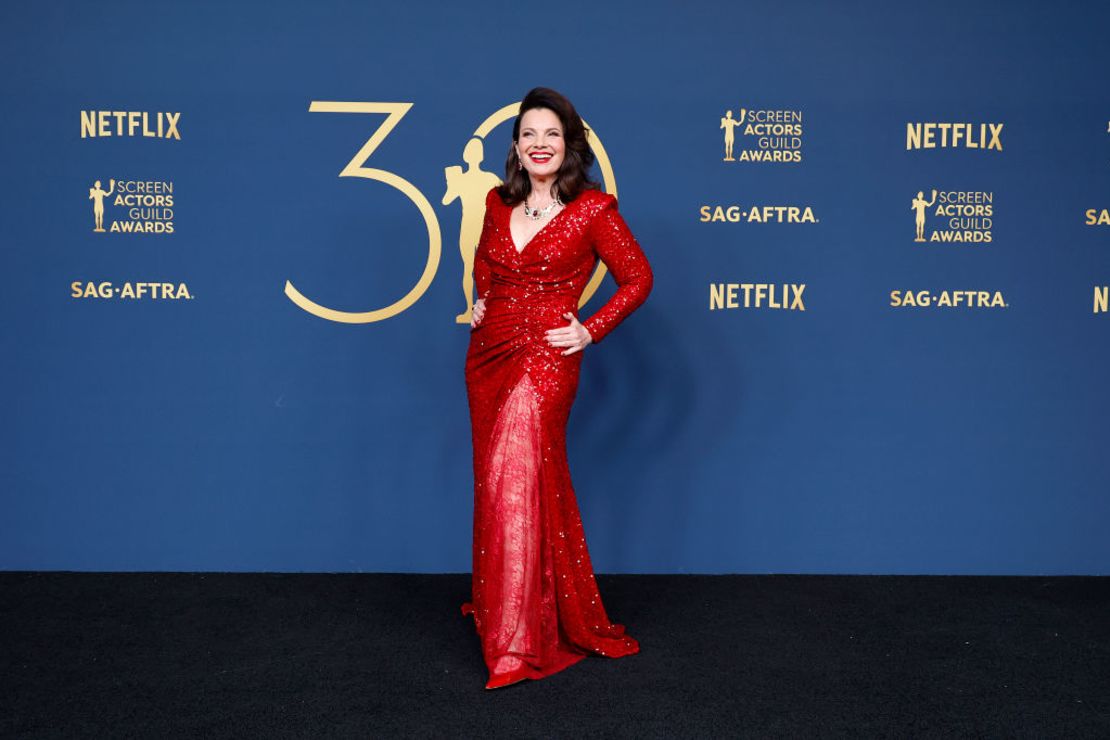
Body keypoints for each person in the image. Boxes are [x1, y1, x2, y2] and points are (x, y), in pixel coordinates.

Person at [460, 87, 654, 690]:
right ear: (515, 148)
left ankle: (516, 644)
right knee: (499, 483)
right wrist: (480, 301)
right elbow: (484, 262)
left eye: (551, 135)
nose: (539, 144)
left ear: (568, 146)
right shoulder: (496, 203)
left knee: (517, 475)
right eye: (528, 135)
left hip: (545, 361)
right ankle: (509, 605)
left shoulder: (592, 210)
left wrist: (589, 330)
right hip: (487, 358)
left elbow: (638, 278)